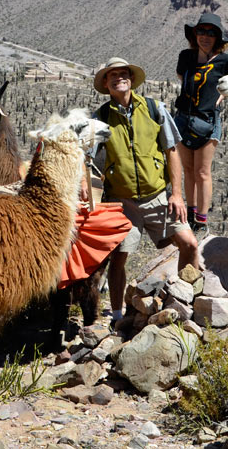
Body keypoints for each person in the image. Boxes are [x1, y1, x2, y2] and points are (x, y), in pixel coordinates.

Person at [92, 57, 199, 326]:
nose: (119, 78)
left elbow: (172, 150)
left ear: (131, 79)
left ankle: (185, 302)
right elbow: (90, 162)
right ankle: (117, 317)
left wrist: (176, 194)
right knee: (119, 259)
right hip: (122, 201)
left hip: (159, 196)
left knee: (189, 244)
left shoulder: (154, 108)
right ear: (106, 83)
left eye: (123, 73)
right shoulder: (100, 119)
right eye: (112, 75)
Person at [174, 12, 228, 235]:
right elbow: (182, 79)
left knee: (203, 172)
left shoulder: (225, 62)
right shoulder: (186, 56)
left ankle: (201, 220)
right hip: (183, 118)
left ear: (217, 38)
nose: (205, 36)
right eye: (201, 31)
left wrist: (224, 94)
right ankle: (190, 214)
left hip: (207, 120)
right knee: (188, 169)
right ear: (195, 35)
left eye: (210, 33)